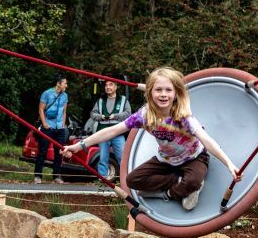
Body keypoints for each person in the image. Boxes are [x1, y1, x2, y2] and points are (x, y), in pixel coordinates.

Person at [62, 66, 241, 210]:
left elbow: (206, 139)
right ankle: (179, 182)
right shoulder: (145, 115)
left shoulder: (182, 116)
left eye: (168, 90)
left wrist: (229, 164)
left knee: (194, 181)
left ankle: (171, 193)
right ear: (150, 93)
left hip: (193, 157)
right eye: (159, 90)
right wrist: (80, 145)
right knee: (132, 181)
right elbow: (113, 130)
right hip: (167, 160)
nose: (163, 94)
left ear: (176, 93)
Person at [89, 80, 132, 178]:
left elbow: (129, 114)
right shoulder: (100, 100)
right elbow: (93, 114)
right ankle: (103, 179)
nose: (108, 87)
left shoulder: (123, 100)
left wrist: (116, 116)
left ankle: (126, 179)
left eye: (110, 85)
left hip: (118, 133)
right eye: (106, 85)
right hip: (103, 134)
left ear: (116, 87)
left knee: (123, 157)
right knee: (103, 158)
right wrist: (101, 117)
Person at [34, 74, 69, 184]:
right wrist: (44, 124)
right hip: (48, 126)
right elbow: (41, 109)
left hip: (60, 127)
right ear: (59, 83)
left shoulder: (65, 96)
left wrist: (63, 124)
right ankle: (38, 176)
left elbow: (64, 111)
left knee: (59, 152)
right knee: (42, 151)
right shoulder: (47, 93)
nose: (66, 86)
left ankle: (56, 176)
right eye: (65, 83)